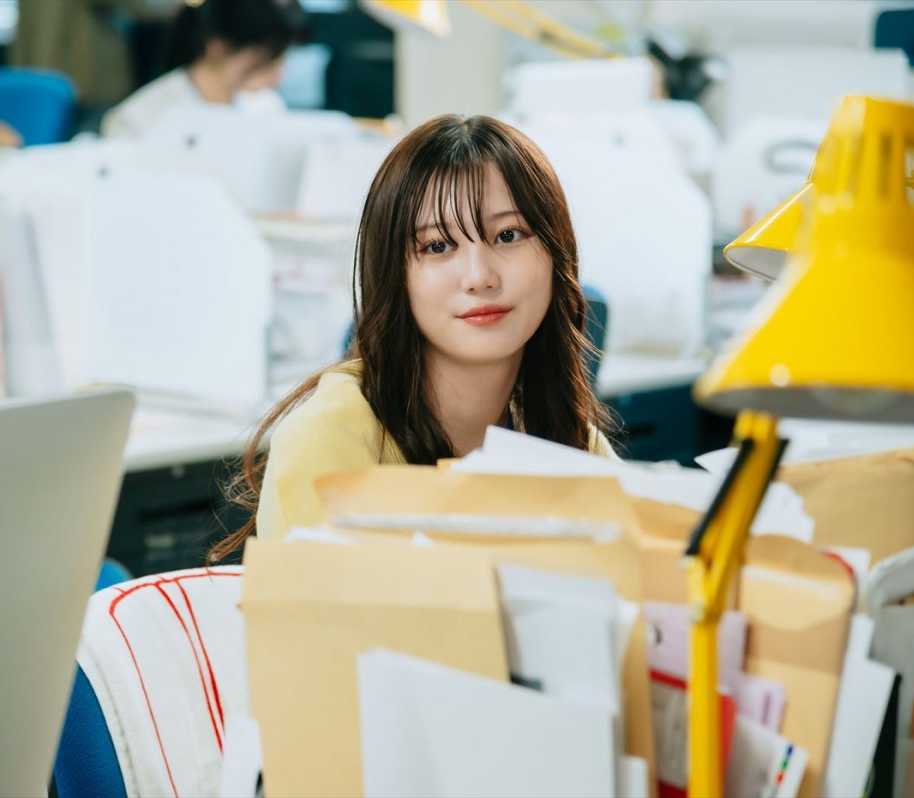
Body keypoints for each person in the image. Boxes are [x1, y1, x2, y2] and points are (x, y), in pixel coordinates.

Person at [211, 115, 617, 561]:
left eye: (508, 235)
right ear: (394, 274)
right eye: (438, 246)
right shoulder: (330, 437)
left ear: (557, 253)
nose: (479, 276)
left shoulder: (571, 442)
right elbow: (324, 629)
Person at [100, 0, 308, 138]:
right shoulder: (142, 119)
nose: (279, 75)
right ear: (218, 47)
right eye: (266, 61)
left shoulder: (266, 106)